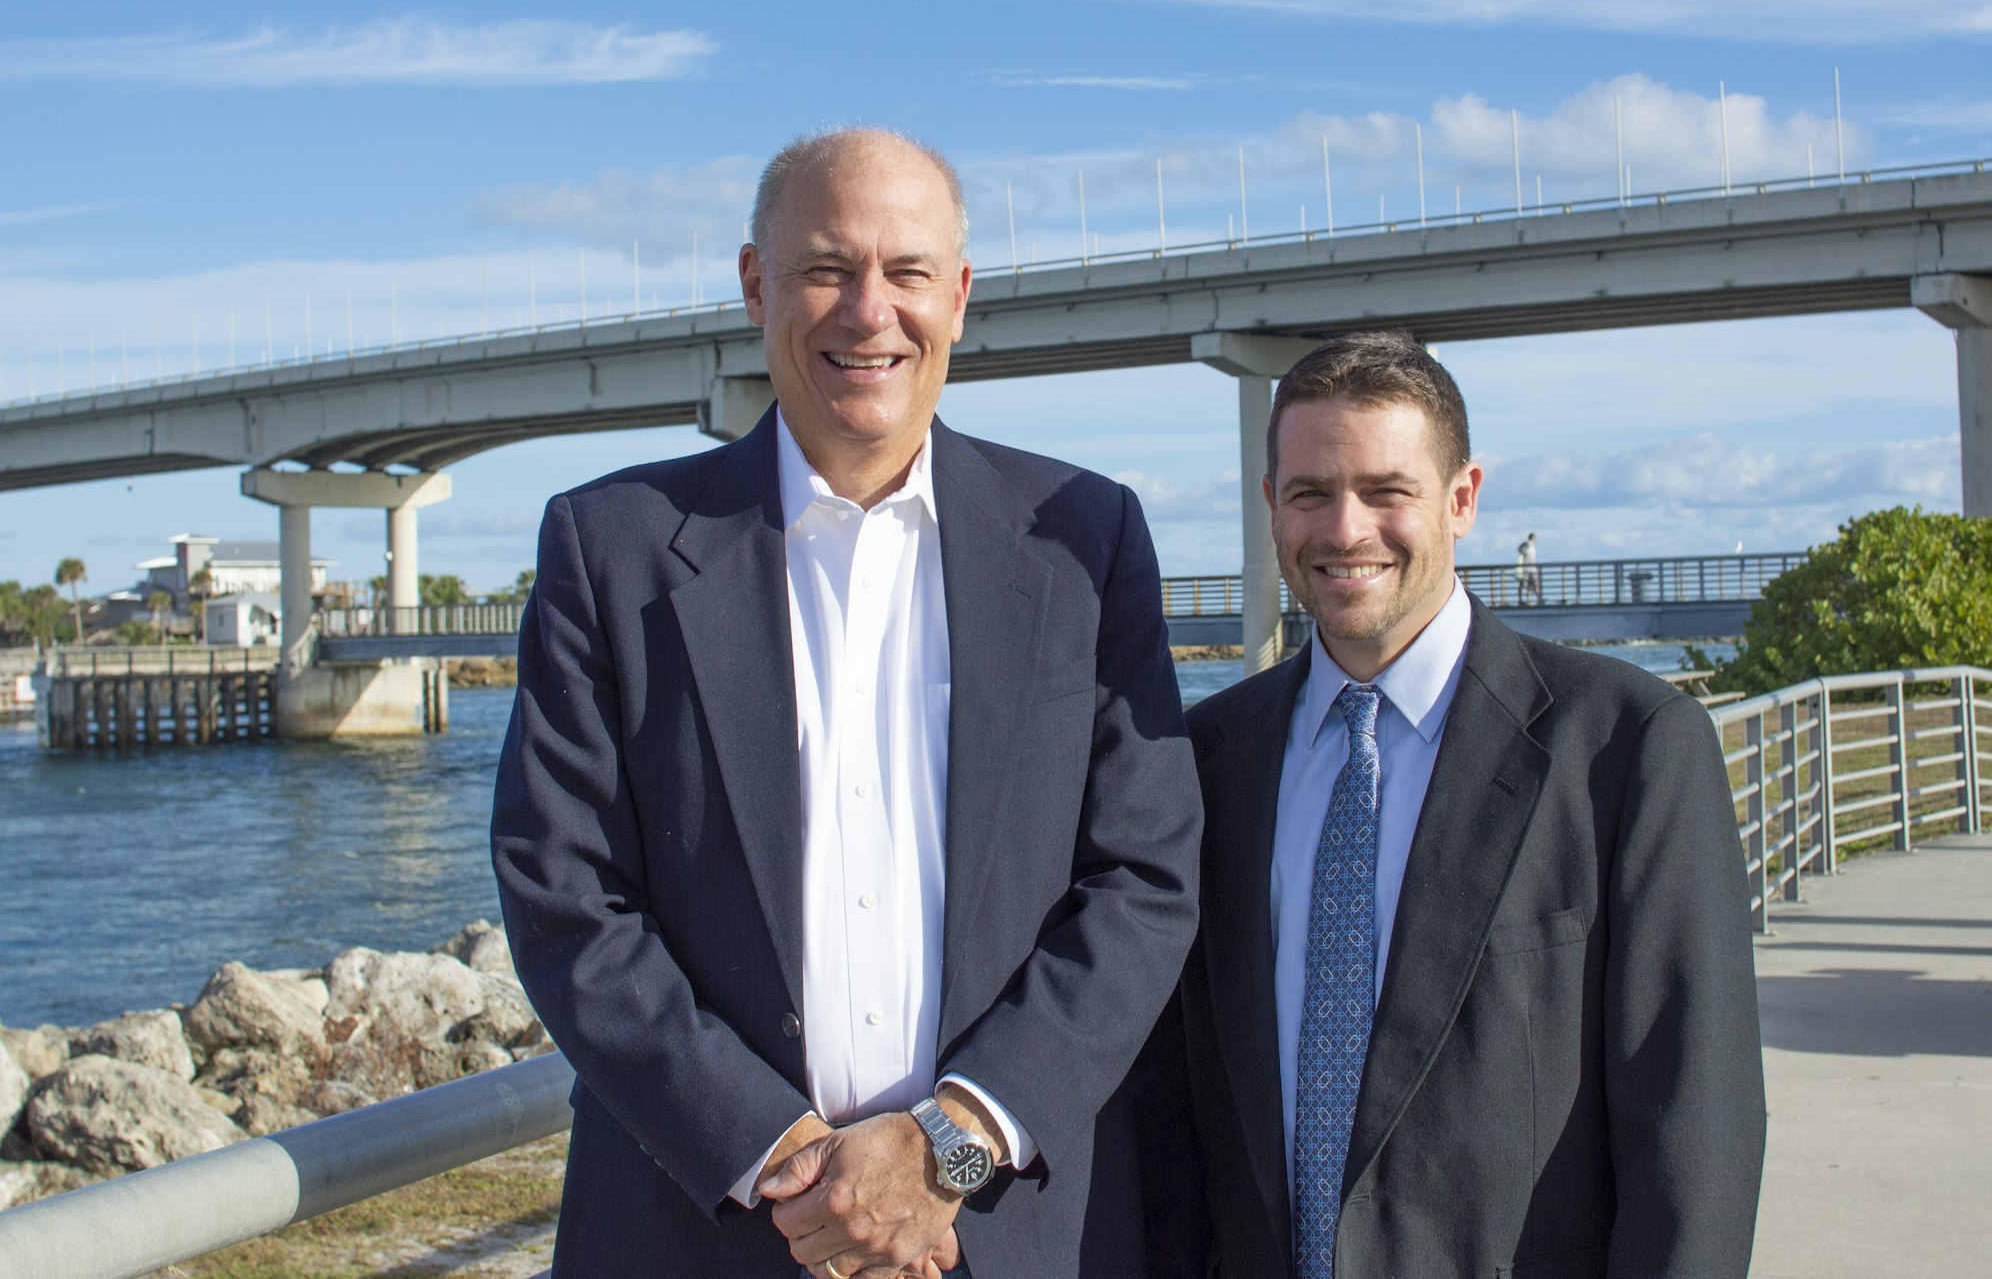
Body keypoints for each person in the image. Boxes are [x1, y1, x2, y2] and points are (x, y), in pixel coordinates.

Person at [490, 127, 1200, 1279]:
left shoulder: (1084, 538)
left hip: (995, 1236)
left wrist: (947, 1154)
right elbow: (563, 890)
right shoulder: (607, 547)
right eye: (826, 267)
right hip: (701, 1231)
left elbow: (1146, 878)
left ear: (958, 296)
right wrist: (785, 1166)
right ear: (753, 283)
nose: (869, 312)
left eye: (907, 271)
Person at [1143, 331, 1765, 1277]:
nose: (1347, 529)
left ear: (1462, 498)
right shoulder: (1206, 761)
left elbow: (1696, 1125)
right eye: (1311, 492)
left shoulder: (1629, 747)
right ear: (1272, 506)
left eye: (1387, 491)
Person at [1516, 530, 1542, 605]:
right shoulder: (1528, 546)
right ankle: (1538, 599)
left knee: (1525, 585)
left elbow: (1519, 550)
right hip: (1529, 569)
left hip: (1528, 569)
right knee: (1533, 585)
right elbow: (1520, 550)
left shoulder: (1529, 546)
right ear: (1533, 538)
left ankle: (1521, 599)